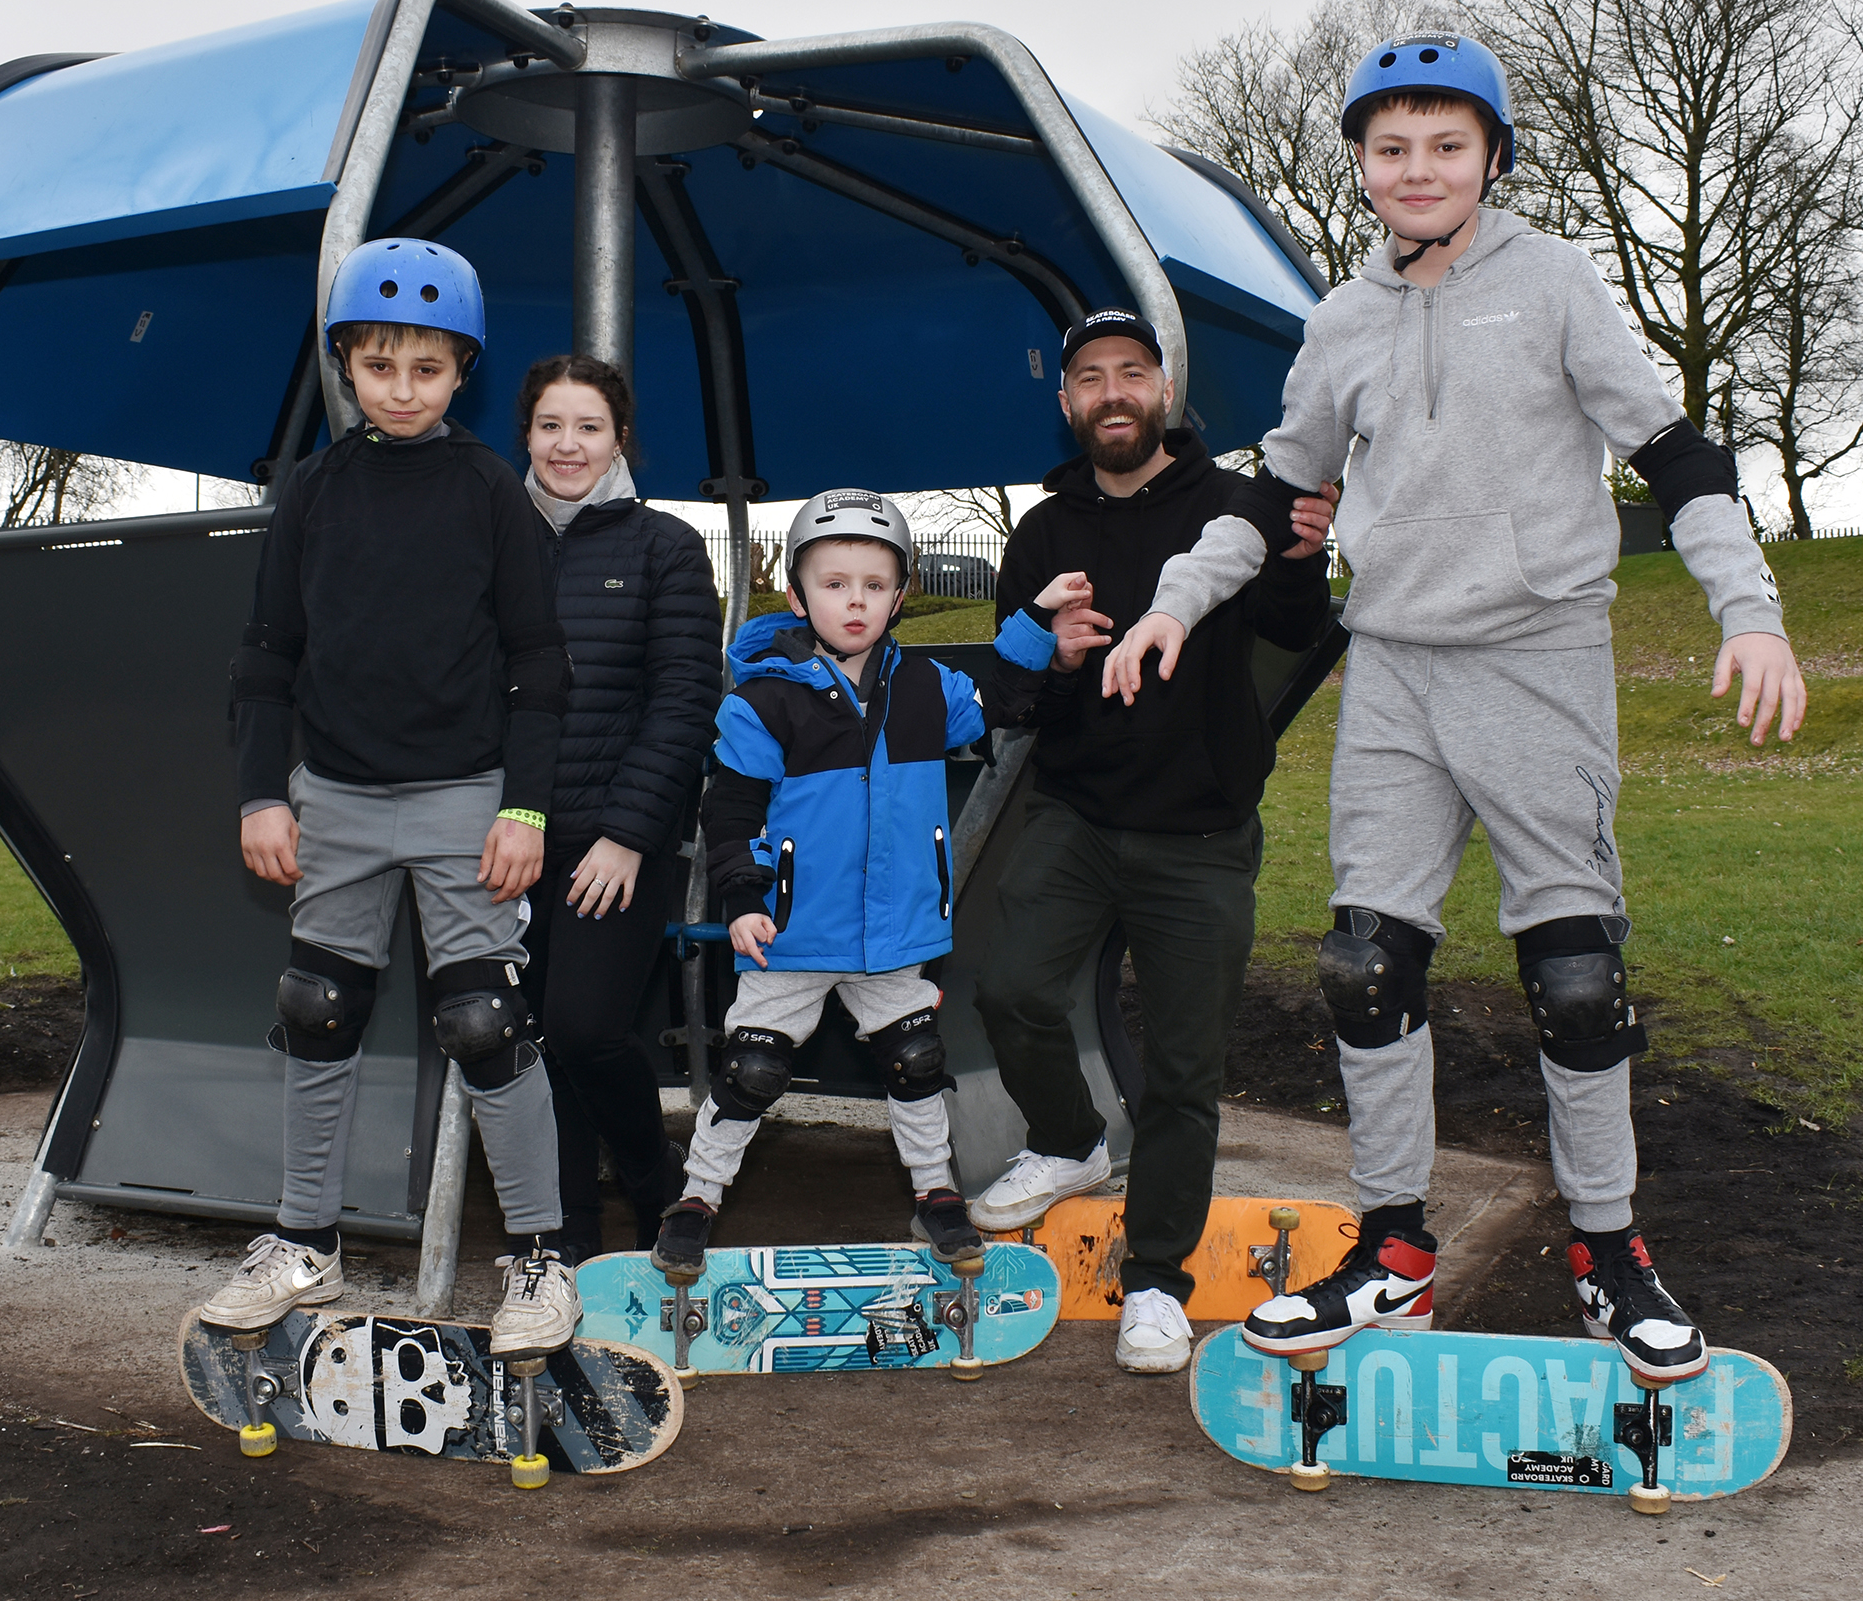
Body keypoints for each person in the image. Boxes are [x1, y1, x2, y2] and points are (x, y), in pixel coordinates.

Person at [1107, 31, 1808, 1382]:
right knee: (1365, 961)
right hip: (1397, 670)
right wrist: (1173, 606)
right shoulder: (1343, 320)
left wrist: (1751, 608)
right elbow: (1277, 490)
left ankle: (1609, 1251)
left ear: (1491, 156)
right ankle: (1393, 1251)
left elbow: (1671, 448)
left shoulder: (1552, 284)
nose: (1418, 169)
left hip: (1538, 654)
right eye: (1392, 148)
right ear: (1363, 168)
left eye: (1447, 145)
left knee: (1577, 975)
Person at [200, 238, 581, 1357]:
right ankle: (303, 1239)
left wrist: (527, 808)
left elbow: (538, 663)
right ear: (346, 367)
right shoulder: (314, 490)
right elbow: (267, 654)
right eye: (379, 365)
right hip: (340, 796)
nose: (402, 388)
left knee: (484, 1019)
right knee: (317, 1009)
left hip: (466, 795)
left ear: (461, 368)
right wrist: (262, 794)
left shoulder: (489, 491)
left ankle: (538, 1261)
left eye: (425, 367)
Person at [961, 309, 1340, 1375]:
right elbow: (1015, 689)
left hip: (1202, 831)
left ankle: (1160, 1280)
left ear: (1165, 391)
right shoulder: (1040, 530)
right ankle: (1070, 1138)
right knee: (1009, 989)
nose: (1113, 391)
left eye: (1133, 372)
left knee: (1183, 1067)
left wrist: (1303, 560)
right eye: (1091, 377)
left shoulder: (1229, 502)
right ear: (1068, 401)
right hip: (1075, 813)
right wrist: (1056, 652)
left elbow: (1294, 630)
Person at [652, 489, 1066, 1274]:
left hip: (895, 930)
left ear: (900, 596)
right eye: (835, 583)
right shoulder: (763, 702)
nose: (855, 601)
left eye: (874, 585)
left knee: (914, 1058)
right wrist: (743, 899)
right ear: (796, 593)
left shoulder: (927, 691)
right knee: (753, 1069)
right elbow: (731, 809)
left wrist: (1037, 621)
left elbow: (1008, 706)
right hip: (793, 930)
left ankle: (936, 1195)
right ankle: (698, 1196)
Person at [513, 354, 723, 1264]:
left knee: (588, 1029)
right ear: (525, 432)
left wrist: (630, 835)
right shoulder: (490, 538)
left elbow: (685, 701)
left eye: (588, 427)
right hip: (507, 838)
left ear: (620, 439)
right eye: (551, 425)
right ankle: (566, 1240)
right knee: (526, 1042)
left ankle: (654, 1183)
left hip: (616, 843)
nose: (568, 445)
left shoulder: (664, 546)